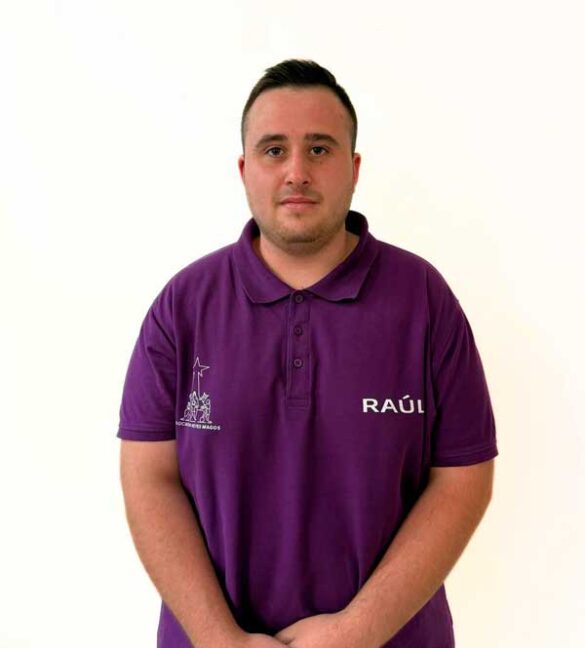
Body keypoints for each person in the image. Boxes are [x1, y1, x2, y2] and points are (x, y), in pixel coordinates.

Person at [118, 59, 498, 648]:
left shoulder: (423, 300)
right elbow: (149, 480)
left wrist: (357, 631)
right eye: (274, 150)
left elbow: (463, 479)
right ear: (245, 169)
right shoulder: (183, 305)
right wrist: (221, 640)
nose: (296, 171)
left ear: (354, 169)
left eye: (319, 149)